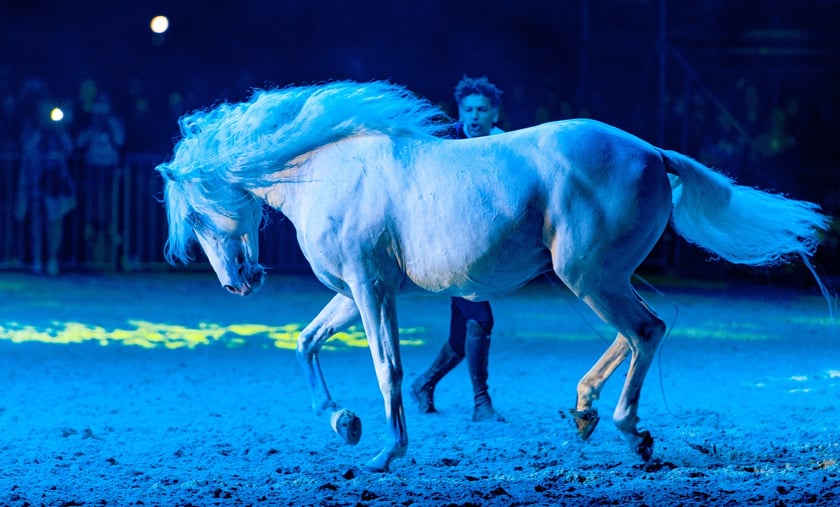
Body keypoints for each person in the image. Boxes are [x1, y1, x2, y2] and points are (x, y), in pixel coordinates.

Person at [410, 75, 506, 422]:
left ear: (495, 113)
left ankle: (424, 384)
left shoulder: (505, 146)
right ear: (460, 111)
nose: (475, 116)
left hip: (484, 251)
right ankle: (482, 403)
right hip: (445, 249)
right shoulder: (444, 142)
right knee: (480, 317)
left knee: (461, 332)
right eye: (469, 109)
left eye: (482, 109)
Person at [14, 79, 76, 275]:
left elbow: (69, 150)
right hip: (35, 180)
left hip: (56, 182)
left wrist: (59, 130)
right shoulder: (31, 130)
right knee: (35, 223)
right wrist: (41, 132)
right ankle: (37, 260)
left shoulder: (59, 132)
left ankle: (52, 259)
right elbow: (27, 150)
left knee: (55, 222)